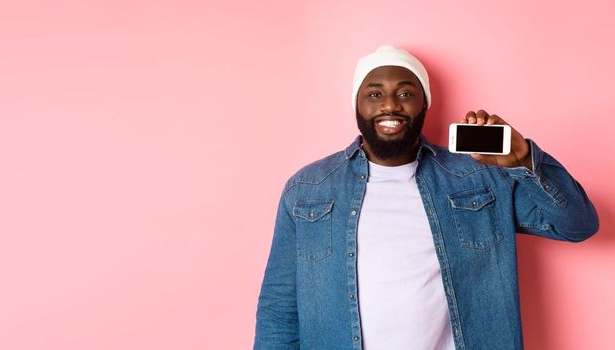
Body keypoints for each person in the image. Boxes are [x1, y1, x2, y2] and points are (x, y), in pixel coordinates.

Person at [253, 45, 599, 350]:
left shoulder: (479, 177)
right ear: (356, 104)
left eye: (405, 93)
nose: (390, 104)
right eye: (374, 94)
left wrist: (522, 161)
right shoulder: (309, 188)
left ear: (424, 104)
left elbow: (577, 225)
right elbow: (279, 307)